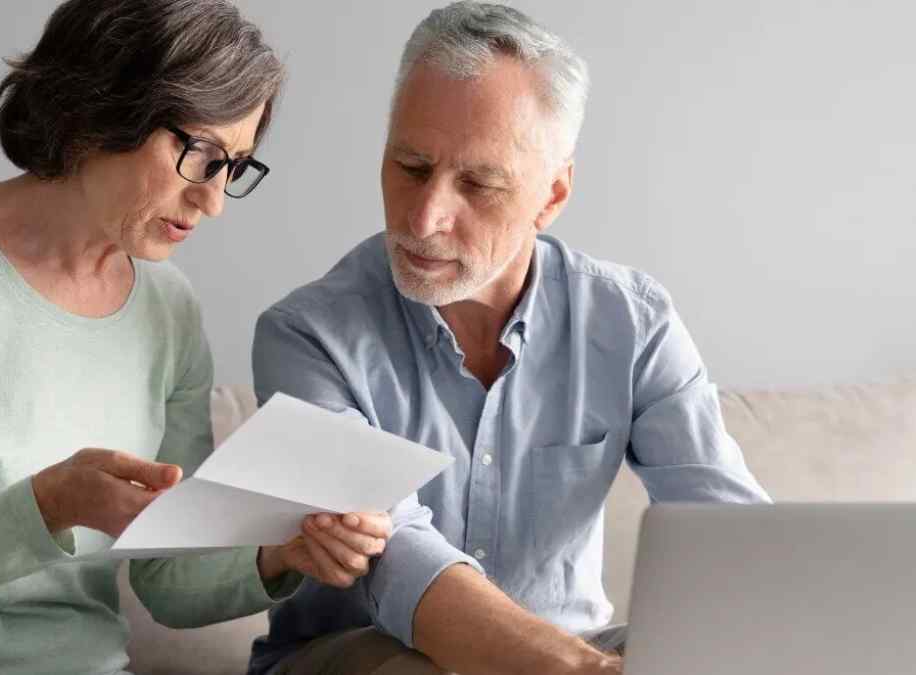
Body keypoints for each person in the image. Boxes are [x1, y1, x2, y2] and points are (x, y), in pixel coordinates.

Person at [0, 1, 389, 673]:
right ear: (102, 108)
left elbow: (168, 577)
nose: (213, 201)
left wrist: (280, 553)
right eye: (199, 154)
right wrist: (45, 509)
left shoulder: (169, 310)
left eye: (235, 166)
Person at [249, 2, 770, 674]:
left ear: (551, 196)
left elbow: (733, 539)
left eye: (478, 183)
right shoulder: (305, 336)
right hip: (358, 656)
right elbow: (394, 556)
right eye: (411, 166)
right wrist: (582, 669)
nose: (425, 217)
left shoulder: (633, 323)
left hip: (575, 647)